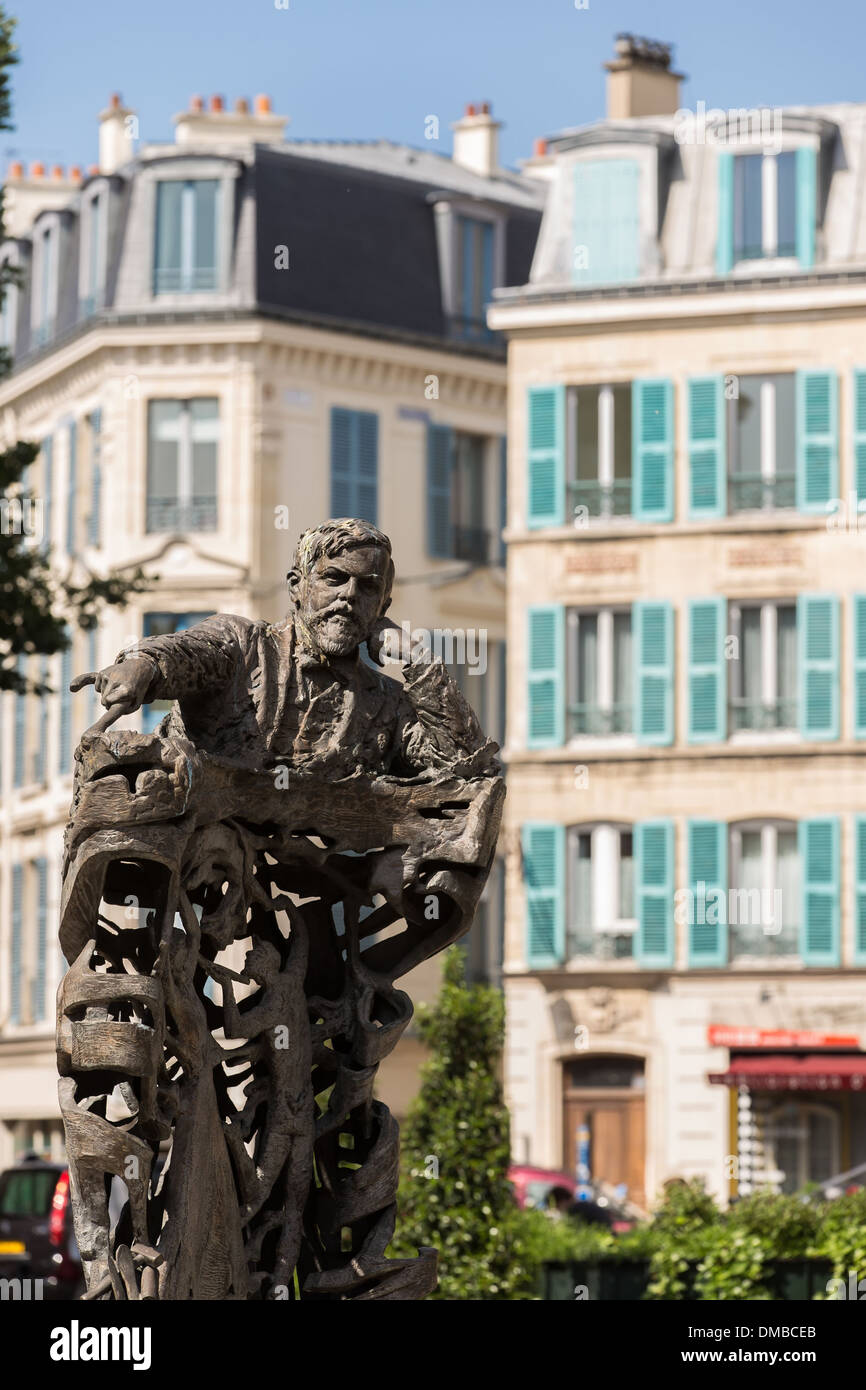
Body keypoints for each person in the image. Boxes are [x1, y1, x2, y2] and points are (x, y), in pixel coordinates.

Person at [72, 517, 497, 780]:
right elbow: (187, 652)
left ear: (383, 607)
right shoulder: (244, 645)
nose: (349, 596)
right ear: (297, 587)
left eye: (367, 588)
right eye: (334, 579)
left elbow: (467, 768)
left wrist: (420, 664)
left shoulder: (385, 705)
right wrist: (141, 666)